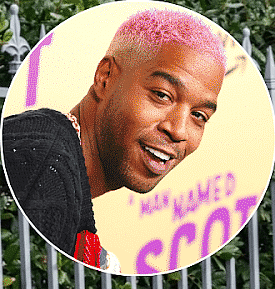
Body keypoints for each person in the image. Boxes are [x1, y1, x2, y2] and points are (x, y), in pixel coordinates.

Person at [2, 7, 225, 270]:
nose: (178, 131)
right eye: (162, 95)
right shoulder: (44, 157)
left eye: (199, 115)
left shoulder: (60, 167)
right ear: (105, 77)